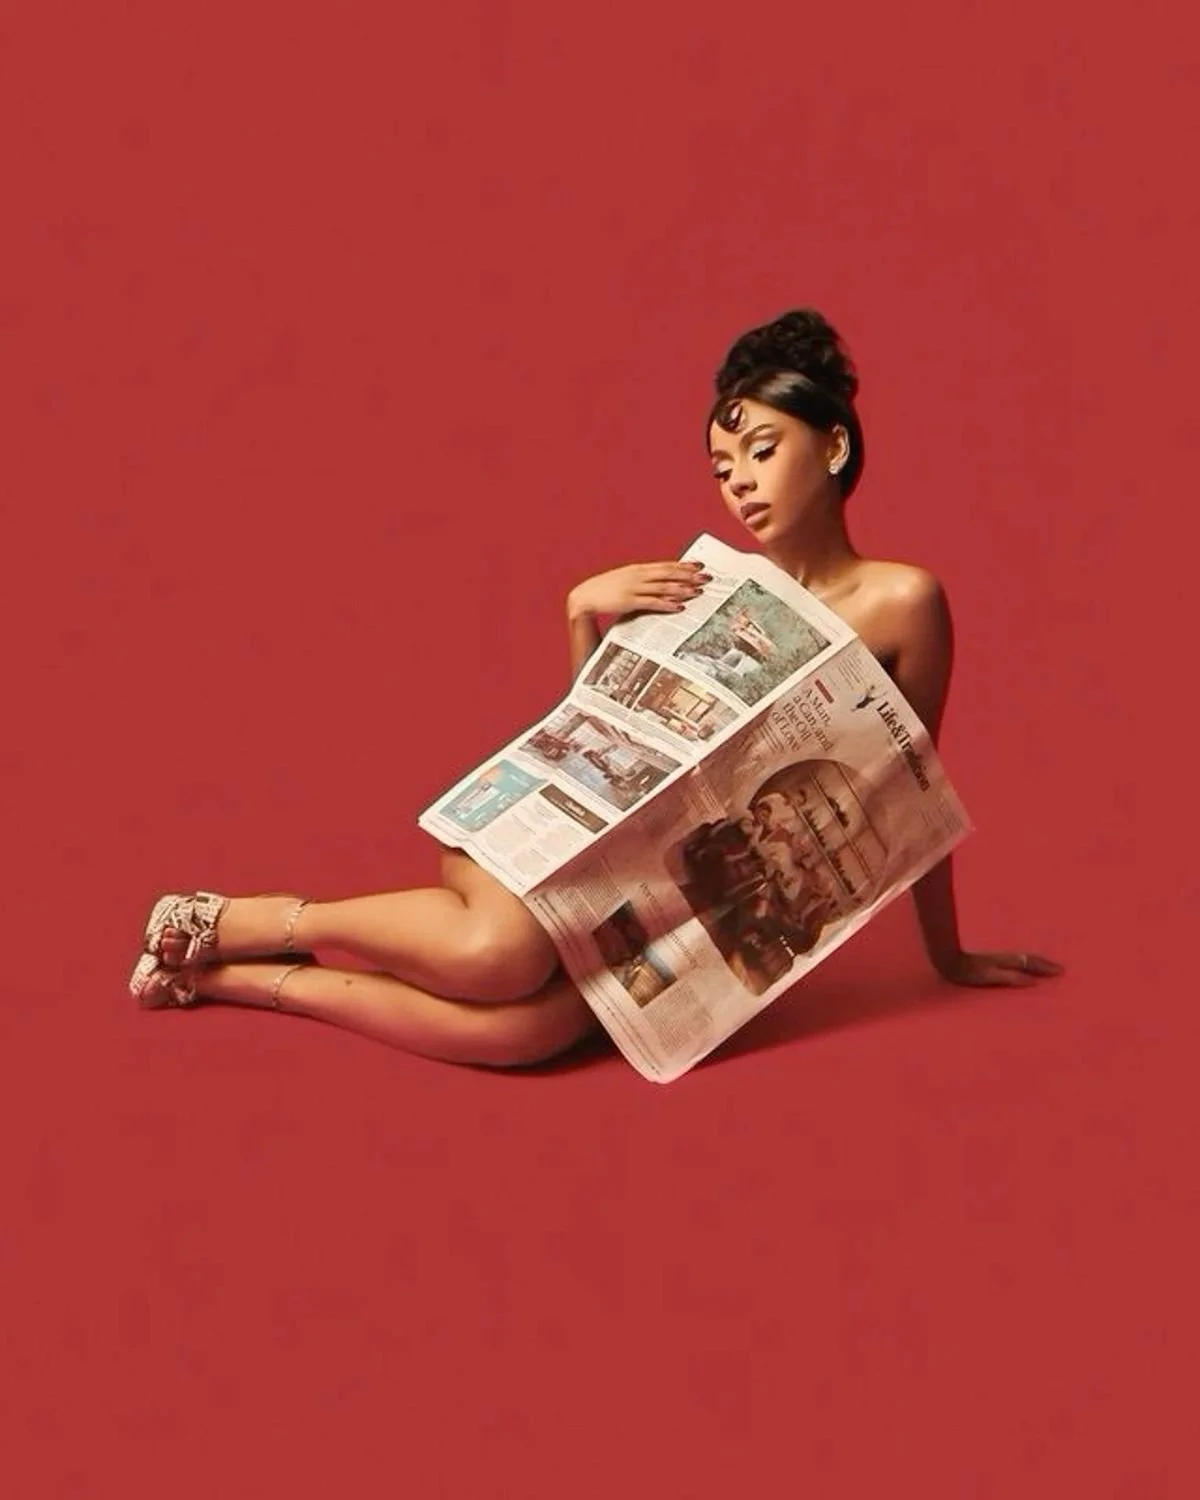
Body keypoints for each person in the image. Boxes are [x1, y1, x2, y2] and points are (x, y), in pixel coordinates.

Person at [129, 308, 1063, 1067]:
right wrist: (583, 614)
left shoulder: (906, 601)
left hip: (657, 891)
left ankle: (237, 981)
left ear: (832, 445)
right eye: (722, 467)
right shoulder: (700, 587)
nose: (738, 483)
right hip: (547, 841)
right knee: (500, 956)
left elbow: (915, 796)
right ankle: (266, 918)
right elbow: (595, 734)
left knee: (529, 1031)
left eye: (762, 450)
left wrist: (947, 956)